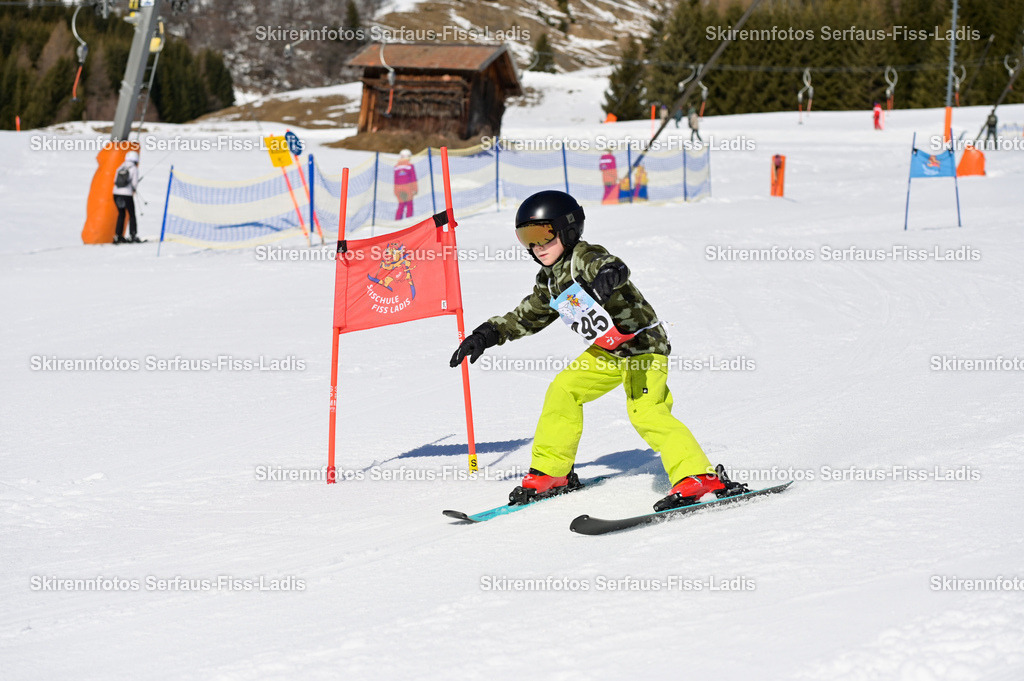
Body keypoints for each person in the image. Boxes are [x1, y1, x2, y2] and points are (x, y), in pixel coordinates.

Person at [449, 190, 732, 511]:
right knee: (564, 390)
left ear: (568, 230)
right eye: (526, 238)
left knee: (646, 411)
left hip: (642, 347)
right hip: (609, 351)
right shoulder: (550, 280)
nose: (536, 247)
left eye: (543, 235)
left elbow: (610, 264)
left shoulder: (583, 257)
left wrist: (607, 277)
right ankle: (552, 473)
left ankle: (699, 477)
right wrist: (488, 334)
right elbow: (527, 315)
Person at [112, 150, 141, 244]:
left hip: (116, 194)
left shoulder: (120, 166)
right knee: (131, 214)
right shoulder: (134, 168)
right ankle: (133, 235)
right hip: (127, 194)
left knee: (121, 214)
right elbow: (134, 183)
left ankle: (118, 236)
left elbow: (114, 180)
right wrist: (133, 189)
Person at [393, 148, 418, 220]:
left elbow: (395, 180)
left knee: (401, 205)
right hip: (408, 188)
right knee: (409, 205)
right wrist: (415, 189)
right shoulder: (410, 166)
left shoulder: (396, 167)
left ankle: (397, 220)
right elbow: (413, 178)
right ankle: (409, 221)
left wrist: (396, 191)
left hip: (398, 189)